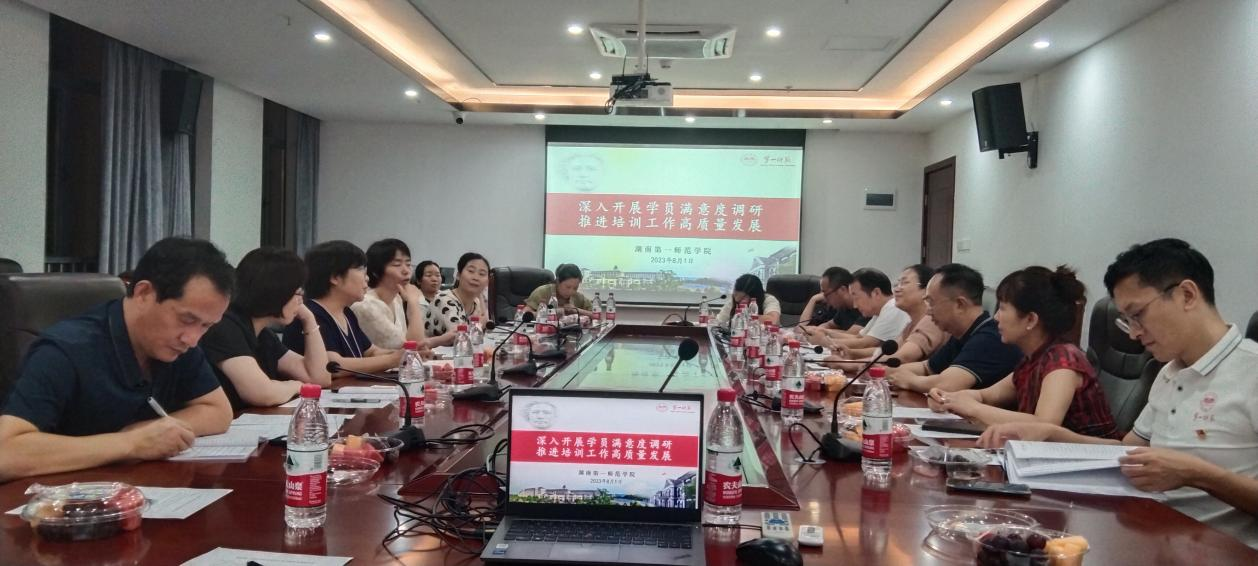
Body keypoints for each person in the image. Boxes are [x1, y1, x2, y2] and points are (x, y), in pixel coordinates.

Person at [978, 240, 1258, 549]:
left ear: (1187, 295)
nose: (1135, 333)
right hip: (1148, 535)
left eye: (1138, 315)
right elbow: (1126, 450)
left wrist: (1197, 474)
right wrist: (1050, 434)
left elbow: (1187, 472)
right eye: (1128, 321)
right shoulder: (1170, 372)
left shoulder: (1251, 371)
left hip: (1218, 551)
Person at [0, 237, 235, 481]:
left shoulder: (177, 343)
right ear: (143, 293)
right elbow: (6, 453)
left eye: (206, 326)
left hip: (133, 488)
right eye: (187, 319)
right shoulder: (65, 349)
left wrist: (153, 432)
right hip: (58, 496)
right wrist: (130, 443)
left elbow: (218, 411)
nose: (193, 339)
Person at [927, 266, 1119, 438]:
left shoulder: (1063, 360)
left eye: (1003, 309)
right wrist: (949, 399)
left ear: (1030, 320)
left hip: (1094, 461)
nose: (996, 317)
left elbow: (1043, 425)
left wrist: (974, 409)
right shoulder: (1032, 359)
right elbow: (985, 396)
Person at [200, 248, 332, 411]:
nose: (301, 301)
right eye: (298, 293)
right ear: (276, 292)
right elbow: (262, 393)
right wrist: (297, 385)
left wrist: (309, 320)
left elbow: (320, 378)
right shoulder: (225, 326)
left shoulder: (263, 334)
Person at [887, 263, 1022, 393]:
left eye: (931, 302)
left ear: (959, 304)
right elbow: (927, 367)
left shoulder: (990, 337)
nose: (928, 311)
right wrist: (888, 372)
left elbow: (947, 384)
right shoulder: (962, 334)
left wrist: (909, 380)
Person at [282, 241, 400, 375]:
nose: (367, 278)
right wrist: (392, 360)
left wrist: (406, 354)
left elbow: (371, 352)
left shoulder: (347, 313)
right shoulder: (310, 314)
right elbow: (335, 366)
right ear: (335, 277)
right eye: (360, 269)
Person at [825, 264, 947, 371]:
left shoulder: (931, 320)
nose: (897, 289)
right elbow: (885, 353)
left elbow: (902, 357)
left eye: (904, 283)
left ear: (926, 290)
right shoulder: (910, 324)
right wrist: (851, 354)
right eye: (897, 284)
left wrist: (849, 364)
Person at [351, 238, 431, 351]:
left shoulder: (396, 299)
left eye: (408, 264)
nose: (406, 271)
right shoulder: (366, 305)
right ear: (375, 271)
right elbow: (411, 350)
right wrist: (413, 303)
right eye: (397, 264)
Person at [426, 252, 491, 346]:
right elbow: (460, 338)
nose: (476, 278)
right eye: (471, 271)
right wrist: (482, 322)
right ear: (458, 275)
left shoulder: (476, 302)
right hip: (431, 353)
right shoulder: (445, 299)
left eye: (482, 274)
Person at [799, 266, 867, 331]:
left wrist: (822, 331)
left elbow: (853, 334)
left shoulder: (864, 308)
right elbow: (829, 325)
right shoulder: (843, 307)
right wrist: (814, 330)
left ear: (842, 290)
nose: (825, 299)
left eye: (826, 294)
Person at [525, 263, 593, 317]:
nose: (571, 291)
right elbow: (524, 314)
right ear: (558, 281)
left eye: (575, 288)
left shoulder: (578, 297)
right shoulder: (542, 292)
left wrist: (576, 310)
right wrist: (552, 313)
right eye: (568, 287)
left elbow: (596, 315)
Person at [714, 274, 781, 326]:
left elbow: (773, 320)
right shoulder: (735, 300)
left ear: (754, 295)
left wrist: (742, 318)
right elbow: (719, 321)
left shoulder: (769, 299)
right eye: (735, 295)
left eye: (742, 298)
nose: (738, 302)